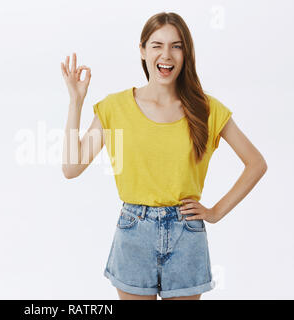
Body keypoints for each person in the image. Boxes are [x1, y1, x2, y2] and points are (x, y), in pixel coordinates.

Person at [60, 12, 267, 300]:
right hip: (134, 233)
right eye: (157, 45)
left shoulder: (206, 109)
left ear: (186, 53)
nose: (166, 54)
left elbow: (256, 164)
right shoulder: (114, 107)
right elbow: (71, 168)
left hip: (187, 235)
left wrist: (216, 212)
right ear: (143, 51)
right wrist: (76, 102)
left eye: (176, 46)